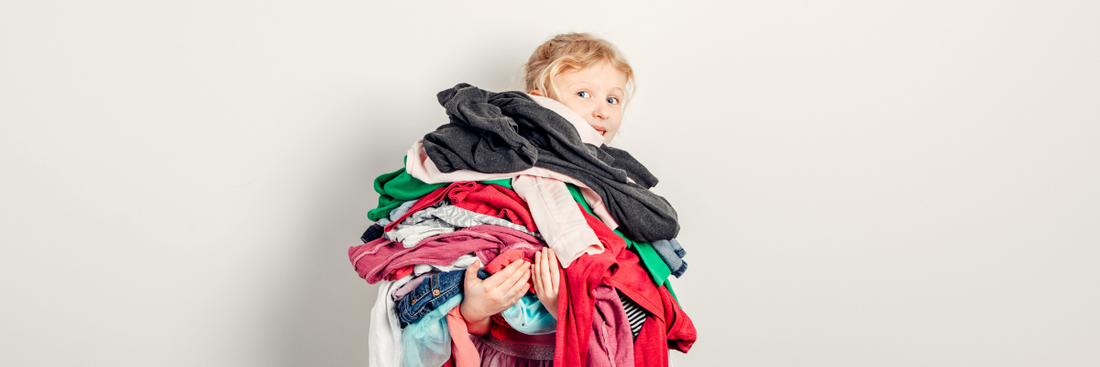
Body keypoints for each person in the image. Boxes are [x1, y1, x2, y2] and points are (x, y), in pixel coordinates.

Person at [456, 32, 636, 362]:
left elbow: (630, 315)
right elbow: (459, 320)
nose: (602, 110)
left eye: (613, 99)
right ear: (539, 104)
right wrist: (476, 309)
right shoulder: (498, 187)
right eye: (584, 93)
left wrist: (566, 308)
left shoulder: (619, 195)